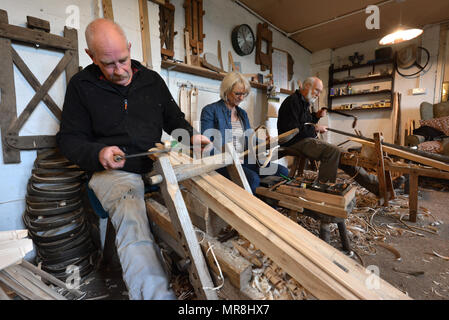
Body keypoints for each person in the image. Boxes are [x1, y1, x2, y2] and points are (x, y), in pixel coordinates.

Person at [56, 18, 210, 300]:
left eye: (123, 60)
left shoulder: (151, 80)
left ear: (129, 48)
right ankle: (157, 296)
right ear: (91, 56)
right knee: (132, 220)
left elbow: (175, 120)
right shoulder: (81, 86)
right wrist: (98, 153)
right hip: (113, 173)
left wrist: (191, 136)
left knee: (202, 197)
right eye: (108, 64)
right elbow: (68, 140)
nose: (119, 70)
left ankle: (203, 278)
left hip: (155, 162)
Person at [277, 76, 381, 195]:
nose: (318, 94)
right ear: (306, 86)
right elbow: (294, 130)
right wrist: (315, 128)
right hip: (292, 142)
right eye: (317, 90)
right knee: (331, 152)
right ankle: (322, 191)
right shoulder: (293, 101)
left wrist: (316, 116)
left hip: (302, 139)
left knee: (343, 155)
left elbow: (306, 122)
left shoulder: (304, 102)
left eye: (320, 92)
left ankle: (378, 186)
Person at [200, 72, 289, 194]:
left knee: (283, 172)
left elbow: (250, 139)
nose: (241, 98)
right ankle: (252, 210)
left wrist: (265, 142)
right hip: (223, 163)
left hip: (245, 160)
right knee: (252, 179)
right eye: (237, 93)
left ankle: (268, 208)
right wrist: (230, 157)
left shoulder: (242, 114)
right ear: (226, 91)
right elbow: (207, 145)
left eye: (244, 94)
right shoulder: (210, 111)